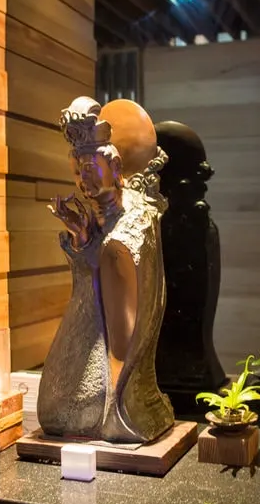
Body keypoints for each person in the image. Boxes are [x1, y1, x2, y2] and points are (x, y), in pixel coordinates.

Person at [37, 97, 174, 443]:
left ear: (115, 168)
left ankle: (121, 413)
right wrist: (83, 242)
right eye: (77, 171)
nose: (82, 182)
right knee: (55, 409)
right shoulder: (107, 222)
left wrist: (94, 253)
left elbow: (121, 341)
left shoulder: (126, 232)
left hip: (115, 384)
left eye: (90, 169)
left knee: (60, 408)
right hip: (100, 356)